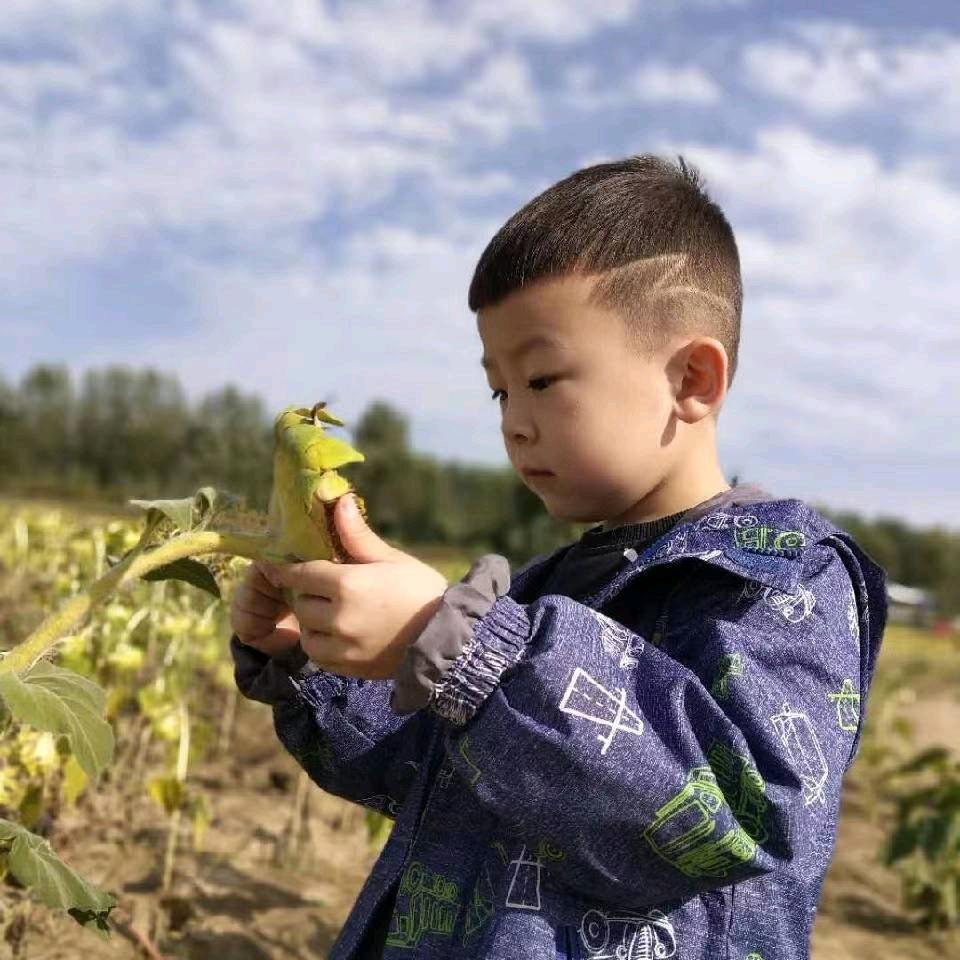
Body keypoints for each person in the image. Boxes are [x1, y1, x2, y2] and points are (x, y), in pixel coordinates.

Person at [229, 155, 888, 960]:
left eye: (541, 379)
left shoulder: (779, 578)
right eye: (499, 391)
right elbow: (420, 773)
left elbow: (740, 815)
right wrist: (314, 661)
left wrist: (461, 647)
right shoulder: (547, 591)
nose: (513, 422)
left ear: (692, 378)